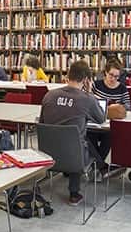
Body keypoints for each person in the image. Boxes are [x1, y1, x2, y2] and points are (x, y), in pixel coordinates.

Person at [39, 60, 106, 206]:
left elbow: (42, 122)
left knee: (74, 139)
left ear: (68, 76)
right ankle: (74, 193)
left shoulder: (49, 95)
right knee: (78, 142)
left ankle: (102, 167)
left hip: (48, 155)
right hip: (74, 157)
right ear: (86, 79)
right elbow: (101, 119)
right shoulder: (87, 99)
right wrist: (89, 93)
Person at [88, 59, 130, 176]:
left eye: (117, 76)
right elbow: (88, 100)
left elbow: (128, 107)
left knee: (110, 135)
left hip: (111, 123)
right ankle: (101, 166)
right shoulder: (97, 85)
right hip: (96, 121)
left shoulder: (122, 88)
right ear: (105, 72)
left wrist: (118, 106)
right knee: (89, 134)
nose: (114, 79)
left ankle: (96, 165)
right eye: (111, 75)